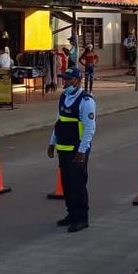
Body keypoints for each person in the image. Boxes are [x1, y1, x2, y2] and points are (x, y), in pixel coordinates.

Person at [47, 68, 96, 233]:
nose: (65, 82)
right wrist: (52, 143)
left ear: (77, 80)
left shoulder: (86, 101)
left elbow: (90, 128)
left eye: (68, 79)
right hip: (63, 148)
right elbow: (59, 122)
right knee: (66, 184)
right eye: (64, 79)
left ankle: (82, 218)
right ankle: (71, 214)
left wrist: (82, 152)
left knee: (78, 185)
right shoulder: (63, 97)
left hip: (78, 150)